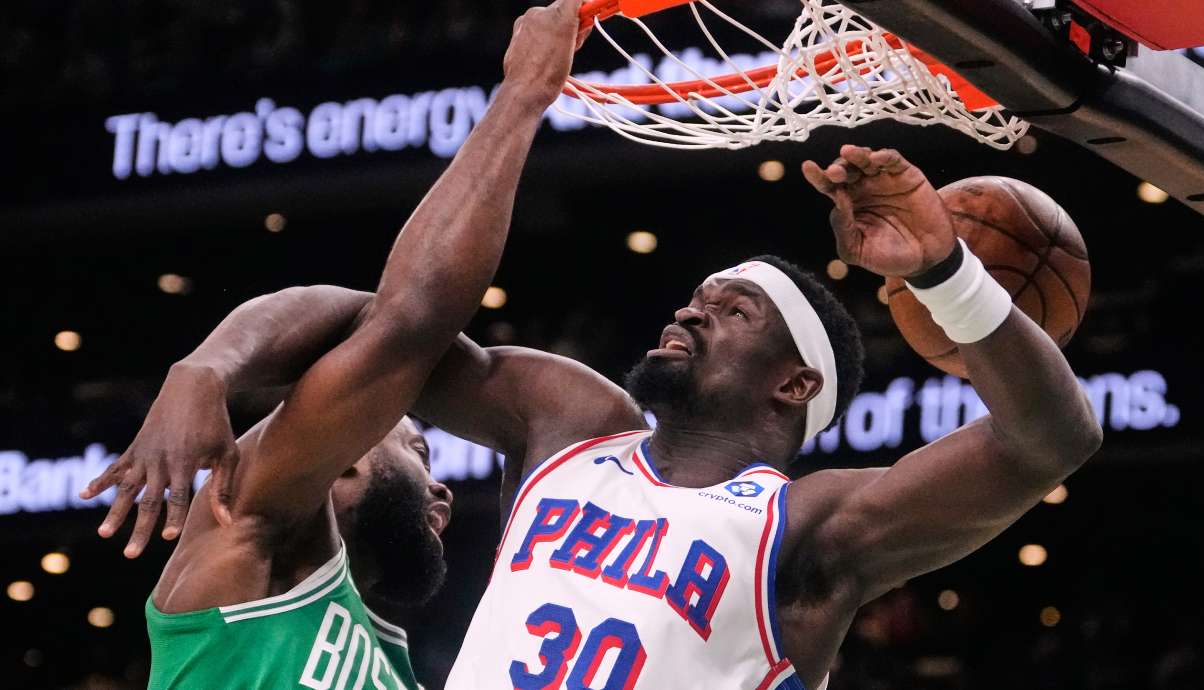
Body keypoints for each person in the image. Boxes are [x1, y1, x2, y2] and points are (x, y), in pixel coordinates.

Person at [90, 87, 1103, 690]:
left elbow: (1046, 441)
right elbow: (386, 320)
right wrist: (209, 369)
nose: (693, 311)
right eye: (698, 294)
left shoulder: (804, 531)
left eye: (733, 309)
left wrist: (941, 273)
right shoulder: (572, 426)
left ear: (793, 385)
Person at [79, 2, 585, 687]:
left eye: (416, 446)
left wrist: (209, 366)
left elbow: (390, 323)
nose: (439, 484)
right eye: (415, 445)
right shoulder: (243, 539)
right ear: (340, 466)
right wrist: (523, 94)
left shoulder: (389, 665)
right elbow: (405, 320)